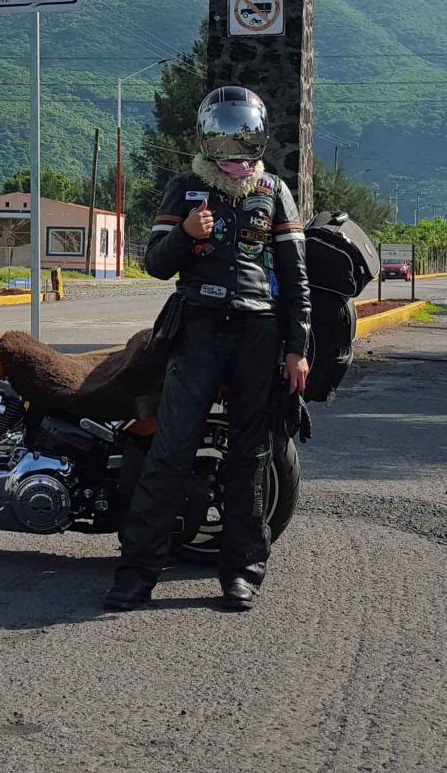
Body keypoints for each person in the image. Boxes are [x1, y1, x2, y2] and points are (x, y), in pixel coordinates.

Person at [104, 85, 310, 613]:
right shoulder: (186, 187)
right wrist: (187, 235)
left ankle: (242, 572)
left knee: (250, 455)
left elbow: (295, 277)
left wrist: (298, 348)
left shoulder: (274, 190)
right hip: (197, 329)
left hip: (259, 334)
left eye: (244, 135)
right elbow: (155, 263)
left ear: (259, 135)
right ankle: (137, 574)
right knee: (169, 451)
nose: (235, 149)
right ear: (206, 137)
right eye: (225, 136)